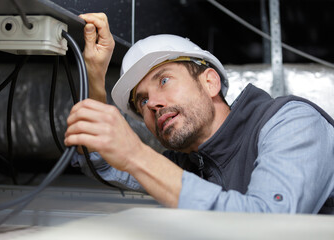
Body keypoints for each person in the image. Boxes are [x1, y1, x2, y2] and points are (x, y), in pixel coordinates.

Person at [64, 13, 334, 214]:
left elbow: (269, 224)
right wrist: (94, 75)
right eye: (142, 100)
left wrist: (137, 155)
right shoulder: (190, 164)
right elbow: (101, 161)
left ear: (210, 82)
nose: (152, 104)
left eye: (164, 80)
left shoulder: (291, 122)